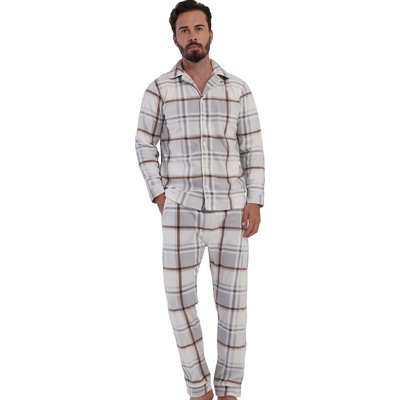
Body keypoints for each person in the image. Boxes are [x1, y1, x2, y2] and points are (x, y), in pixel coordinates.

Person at [135, 1, 265, 399]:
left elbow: (252, 148)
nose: (192, 35)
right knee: (178, 302)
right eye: (184, 30)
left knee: (233, 308)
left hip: (232, 210)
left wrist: (255, 200)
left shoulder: (238, 88)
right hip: (180, 210)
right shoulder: (159, 89)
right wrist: (160, 195)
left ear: (210, 33)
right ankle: (199, 389)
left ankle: (228, 391)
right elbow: (144, 143)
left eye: (198, 28)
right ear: (175, 38)